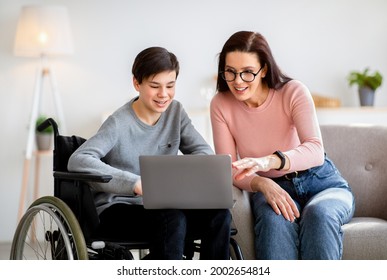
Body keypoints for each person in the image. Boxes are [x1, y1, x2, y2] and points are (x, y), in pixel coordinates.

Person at [68, 46, 231, 260]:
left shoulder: (176, 112)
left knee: (219, 214)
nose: (164, 95)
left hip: (166, 205)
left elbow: (202, 151)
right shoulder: (118, 123)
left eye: (170, 86)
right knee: (173, 218)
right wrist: (135, 183)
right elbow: (78, 160)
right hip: (120, 207)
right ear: (137, 83)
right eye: (155, 86)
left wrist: (200, 176)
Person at [210, 31, 355, 260]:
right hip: (271, 188)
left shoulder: (293, 91)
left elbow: (315, 150)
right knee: (273, 222)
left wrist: (270, 160)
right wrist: (261, 182)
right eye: (230, 72)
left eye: (248, 72)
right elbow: (229, 167)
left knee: (318, 214)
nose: (237, 81)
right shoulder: (221, 104)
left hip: (321, 182)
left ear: (264, 69)